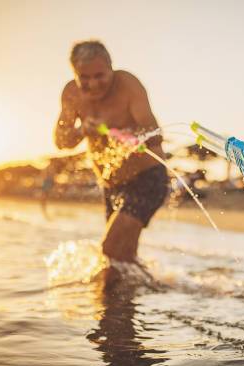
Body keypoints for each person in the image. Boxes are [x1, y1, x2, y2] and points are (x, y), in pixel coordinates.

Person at [53, 40, 168, 267]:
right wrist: (81, 130)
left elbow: (154, 134)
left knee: (110, 251)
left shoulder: (128, 85)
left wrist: (122, 134)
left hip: (147, 178)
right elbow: (61, 141)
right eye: (84, 78)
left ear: (111, 68)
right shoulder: (71, 94)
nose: (93, 84)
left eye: (100, 75)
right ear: (74, 73)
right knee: (122, 260)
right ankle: (156, 288)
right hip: (111, 186)